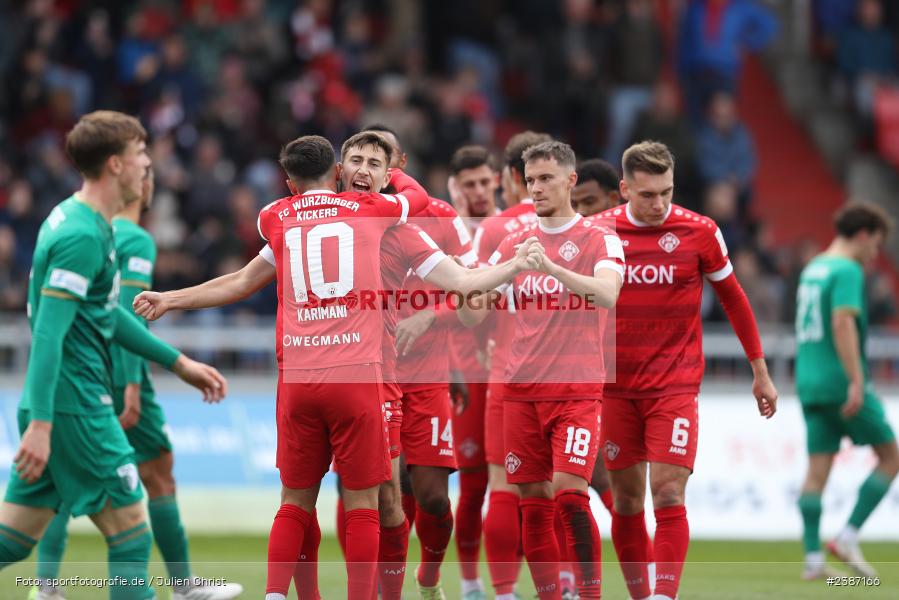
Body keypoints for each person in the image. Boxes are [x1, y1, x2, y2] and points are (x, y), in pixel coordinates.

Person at [133, 133, 544, 599]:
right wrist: (513, 267)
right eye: (357, 161)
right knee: (369, 502)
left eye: (376, 162)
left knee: (303, 501)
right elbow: (463, 276)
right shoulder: (380, 214)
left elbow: (243, 281)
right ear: (339, 171)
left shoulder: (279, 216)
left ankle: (279, 594)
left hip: (305, 379)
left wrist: (170, 298)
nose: (365, 170)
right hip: (360, 375)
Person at [0, 110, 228, 600]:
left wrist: (178, 362)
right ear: (116, 165)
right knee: (130, 530)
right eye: (141, 154)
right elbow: (46, 336)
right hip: (74, 408)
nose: (149, 165)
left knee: (13, 540)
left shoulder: (85, 221)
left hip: (63, 406)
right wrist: (41, 426)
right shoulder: (81, 236)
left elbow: (107, 313)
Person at [596, 141, 778, 600]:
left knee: (668, 492)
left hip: (674, 385)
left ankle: (663, 596)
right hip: (612, 388)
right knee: (628, 501)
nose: (658, 204)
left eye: (666, 192)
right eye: (647, 195)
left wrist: (760, 369)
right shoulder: (596, 232)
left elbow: (734, 298)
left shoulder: (700, 231)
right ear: (623, 190)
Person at [462, 140, 626, 600]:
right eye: (530, 180)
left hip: (575, 390)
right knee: (531, 507)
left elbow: (607, 294)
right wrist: (476, 284)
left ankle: (590, 595)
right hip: (519, 392)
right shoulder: (514, 243)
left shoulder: (599, 237)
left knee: (571, 496)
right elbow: (472, 314)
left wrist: (550, 266)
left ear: (570, 181)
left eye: (546, 178)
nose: (536, 188)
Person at [795, 202, 898, 580]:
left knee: (817, 471)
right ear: (863, 235)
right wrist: (857, 380)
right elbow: (841, 323)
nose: (874, 255)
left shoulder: (814, 268)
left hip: (809, 380)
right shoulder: (846, 269)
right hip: (841, 380)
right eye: (875, 246)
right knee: (891, 456)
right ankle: (847, 536)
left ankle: (812, 560)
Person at [472, 130, 549, 599]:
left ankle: (503, 592)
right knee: (560, 489)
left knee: (503, 481)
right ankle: (567, 585)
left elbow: (475, 304)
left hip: (508, 369)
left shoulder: (497, 229)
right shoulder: (579, 225)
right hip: (569, 379)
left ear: (509, 177)